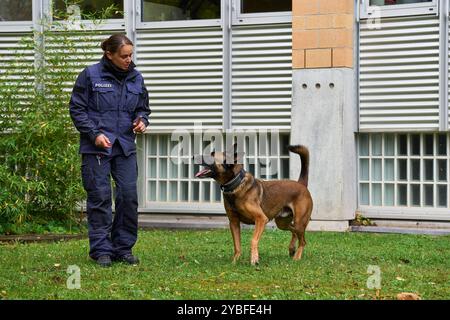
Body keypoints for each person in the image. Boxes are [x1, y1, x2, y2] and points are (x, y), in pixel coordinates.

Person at [69, 34, 151, 267]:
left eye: (131, 55)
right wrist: (94, 134)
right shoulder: (90, 75)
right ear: (109, 55)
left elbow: (144, 108)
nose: (129, 60)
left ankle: (123, 248)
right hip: (97, 147)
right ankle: (102, 250)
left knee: (128, 196)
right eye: (124, 56)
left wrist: (142, 120)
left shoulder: (136, 78)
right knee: (100, 198)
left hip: (125, 146)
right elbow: (77, 109)